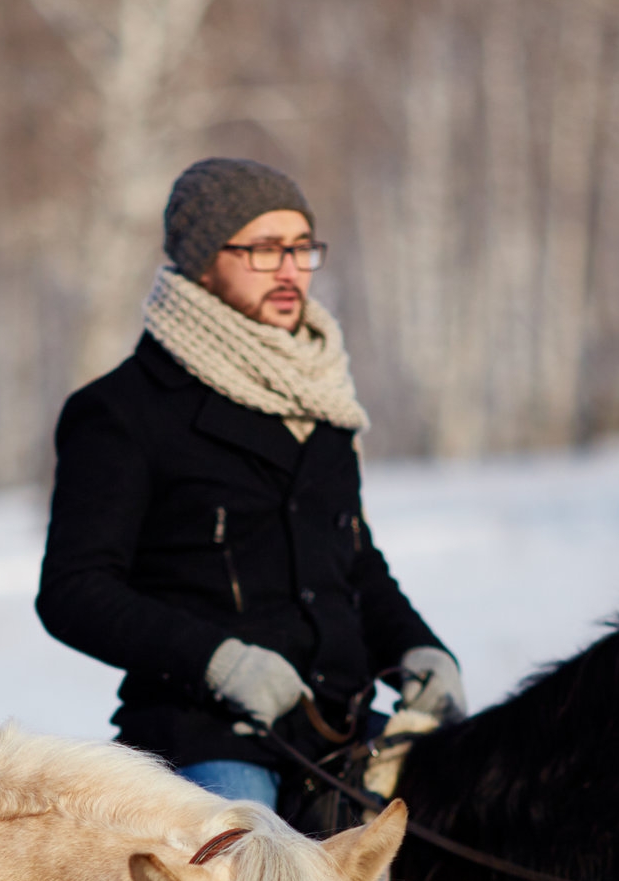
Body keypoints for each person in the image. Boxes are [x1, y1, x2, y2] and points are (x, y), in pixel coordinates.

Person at [35, 158, 463, 812]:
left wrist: (418, 648)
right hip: (207, 739)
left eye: (301, 248)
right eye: (263, 249)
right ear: (203, 261)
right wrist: (219, 661)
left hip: (341, 733)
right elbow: (73, 591)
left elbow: (352, 564)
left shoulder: (323, 401)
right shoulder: (124, 410)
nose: (290, 270)